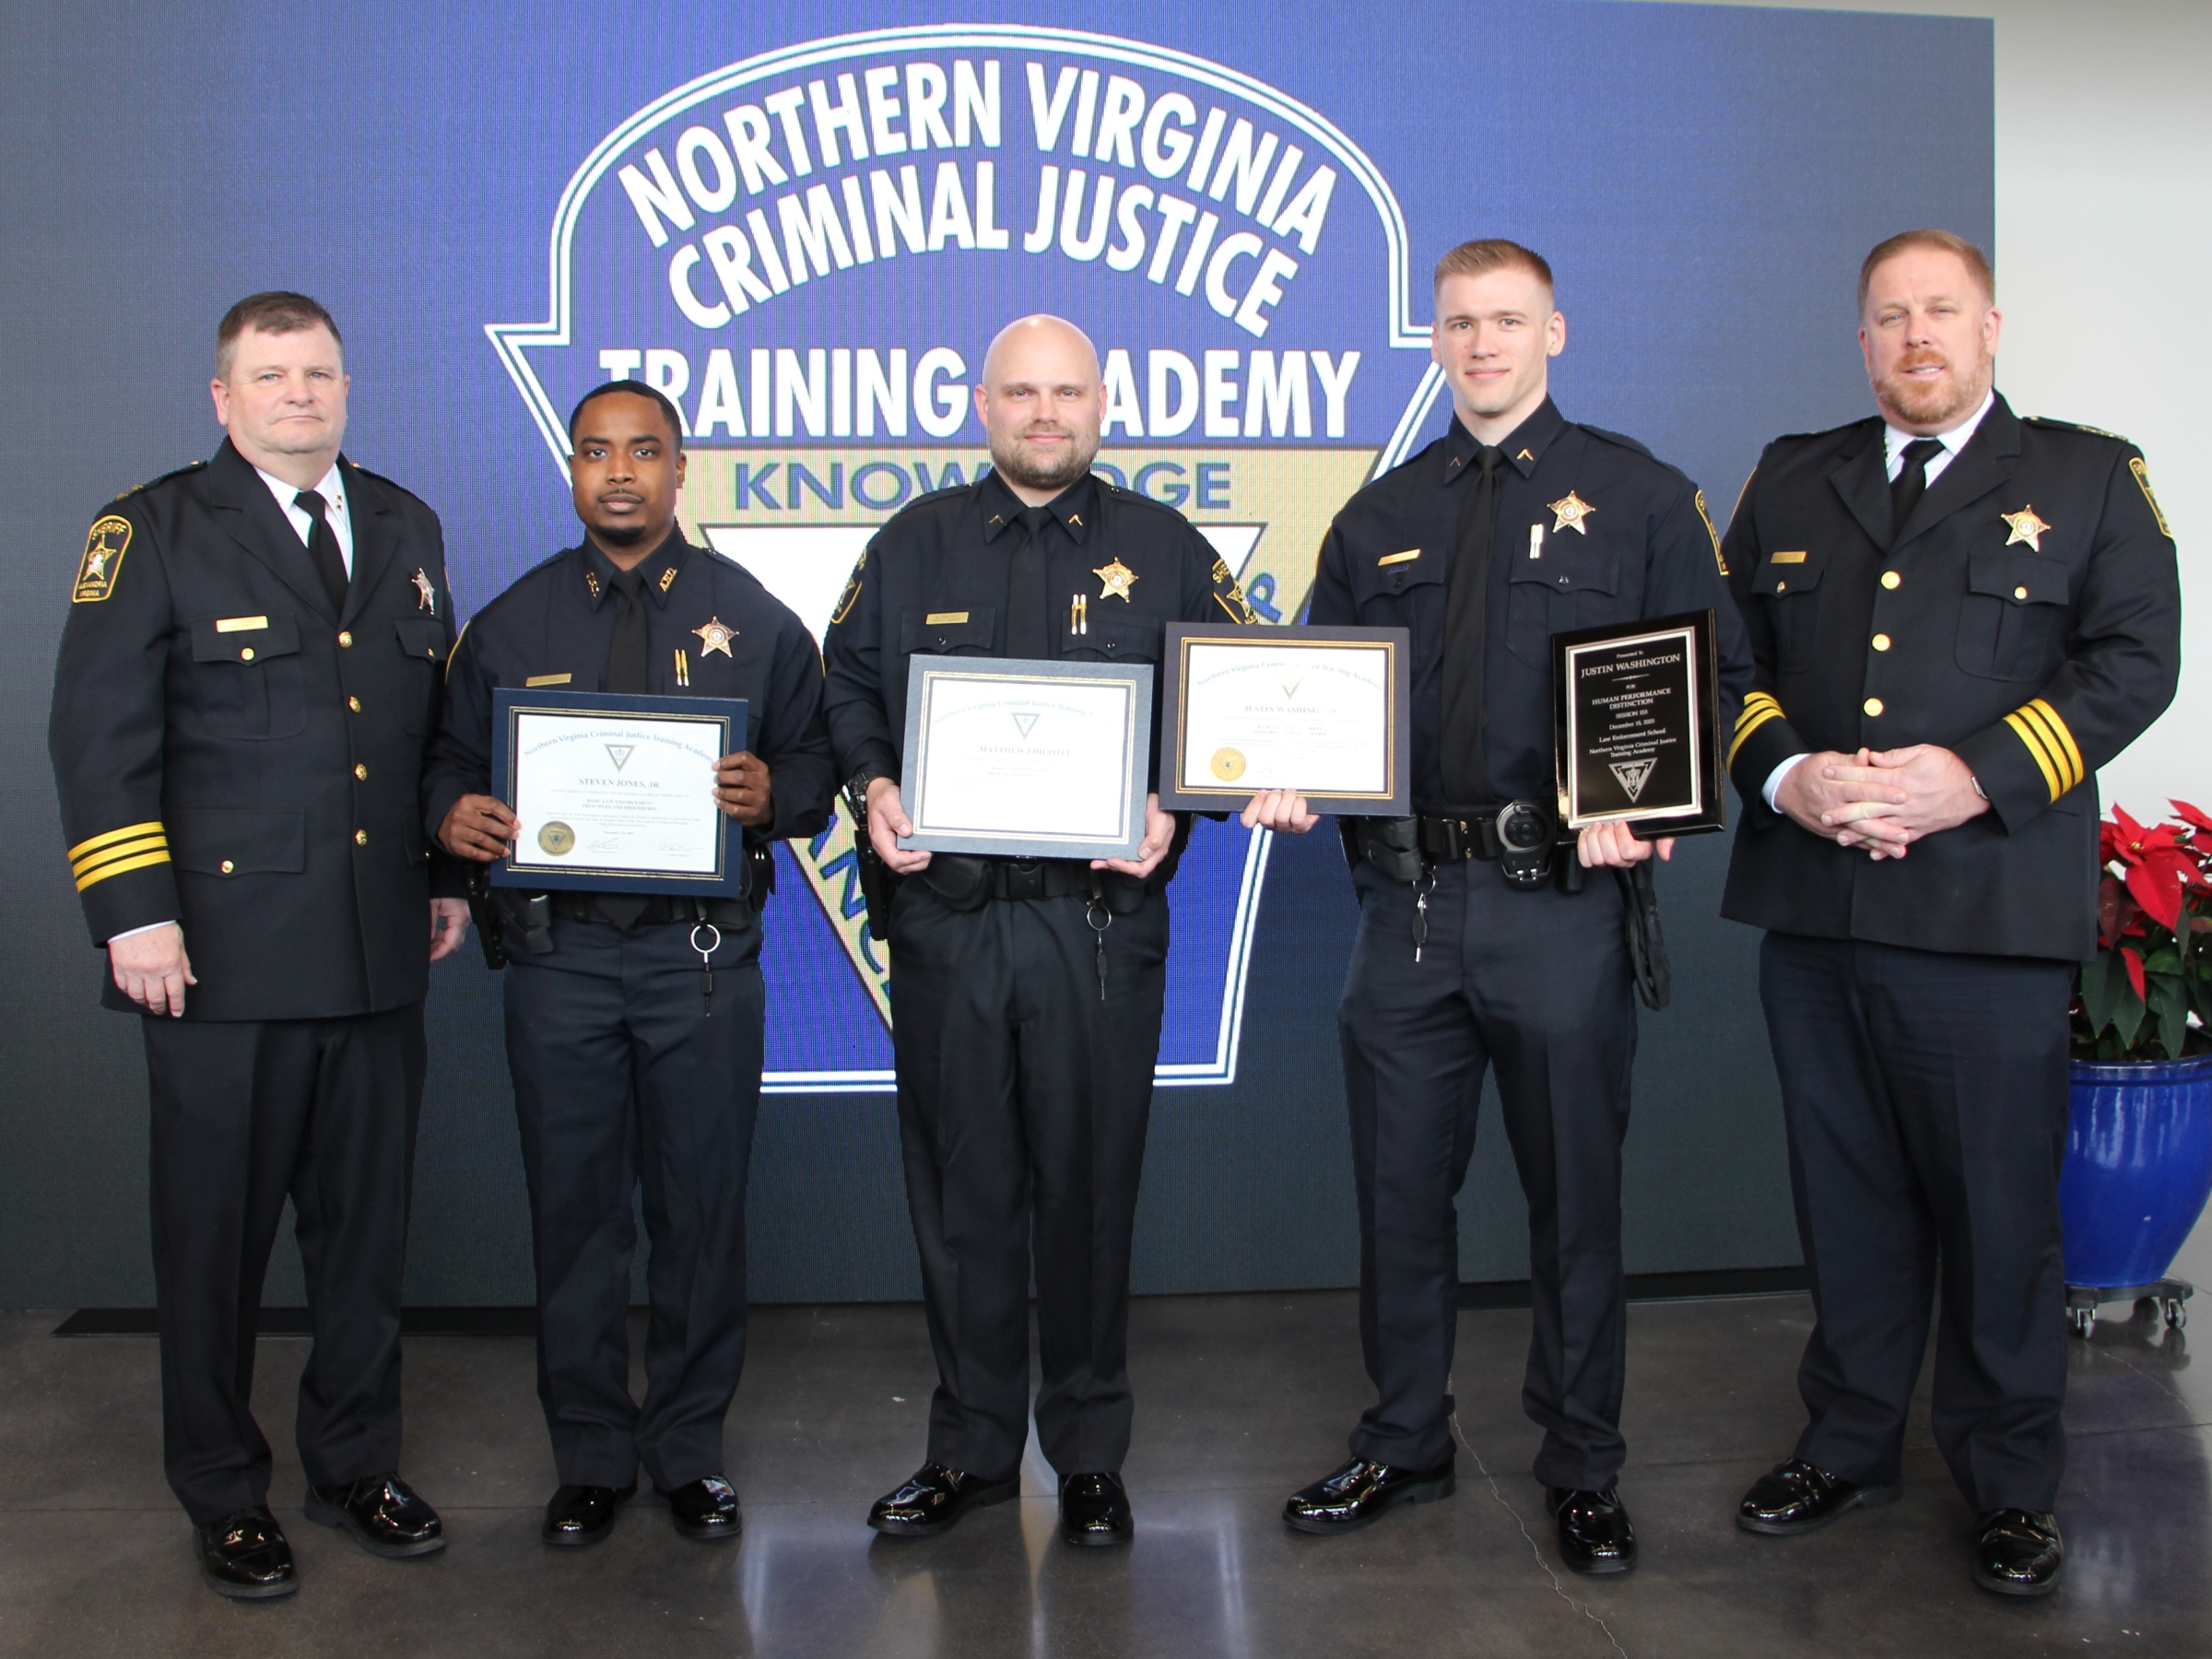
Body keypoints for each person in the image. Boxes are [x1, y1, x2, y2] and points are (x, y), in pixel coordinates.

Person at [1277, 240, 1752, 1575]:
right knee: (1399, 1197)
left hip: (1561, 901)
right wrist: (1278, 771)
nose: (1483, 344)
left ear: (1556, 331)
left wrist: (1649, 798)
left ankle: (1583, 1466)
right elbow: (1318, 692)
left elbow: (1712, 683)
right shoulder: (1379, 516)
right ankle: (1404, 1437)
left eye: (1507, 321)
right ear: (1434, 342)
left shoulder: (1645, 495)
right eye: (1459, 324)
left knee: (1574, 1203)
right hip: (1410, 909)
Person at [1719, 229, 2180, 1597]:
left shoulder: (2089, 476)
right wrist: (1787, 773)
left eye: (1941, 313)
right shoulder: (1793, 474)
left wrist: (1973, 778)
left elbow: (2136, 658)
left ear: (1990, 328)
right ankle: (1851, 1441)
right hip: (1819, 915)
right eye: (1889, 318)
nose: (1916, 338)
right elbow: (1719, 656)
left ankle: (2010, 1479)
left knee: (1995, 1215)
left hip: (1987, 917)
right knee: (1847, 1202)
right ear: (1861, 342)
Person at [820, 314, 1266, 1548]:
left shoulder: (1166, 549)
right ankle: (966, 1452)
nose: (1045, 413)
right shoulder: (914, 545)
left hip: (1097, 928)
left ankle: (1086, 1456)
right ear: (983, 403)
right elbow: (846, 682)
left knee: (1086, 1193)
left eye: (1067, 392)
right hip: (951, 925)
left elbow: (1233, 702)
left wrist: (1173, 802)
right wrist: (875, 787)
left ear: (1102, 402)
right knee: (964, 1196)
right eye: (1022, 392)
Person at [47, 292, 465, 1599]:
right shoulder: (154, 531)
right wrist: (135, 914)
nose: (301, 394)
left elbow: (426, 727)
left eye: (320, 372)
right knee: (214, 1248)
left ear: (346, 386)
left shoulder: (403, 522)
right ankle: (224, 1490)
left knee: (363, 1242)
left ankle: (354, 1466)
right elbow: (98, 739)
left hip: (374, 954)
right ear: (221, 398)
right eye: (272, 375)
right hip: (218, 962)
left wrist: (448, 871)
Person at [424, 381, 834, 1548]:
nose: (619, 473)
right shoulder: (511, 622)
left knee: (700, 1214)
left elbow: (815, 765)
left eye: (643, 452)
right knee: (577, 1214)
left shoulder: (750, 617)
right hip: (557, 965)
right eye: (597, 451)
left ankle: (691, 1451)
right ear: (571, 468)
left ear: (678, 468)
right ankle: (594, 1452)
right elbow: (445, 761)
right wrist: (452, 816)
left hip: (698, 966)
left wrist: (775, 795)